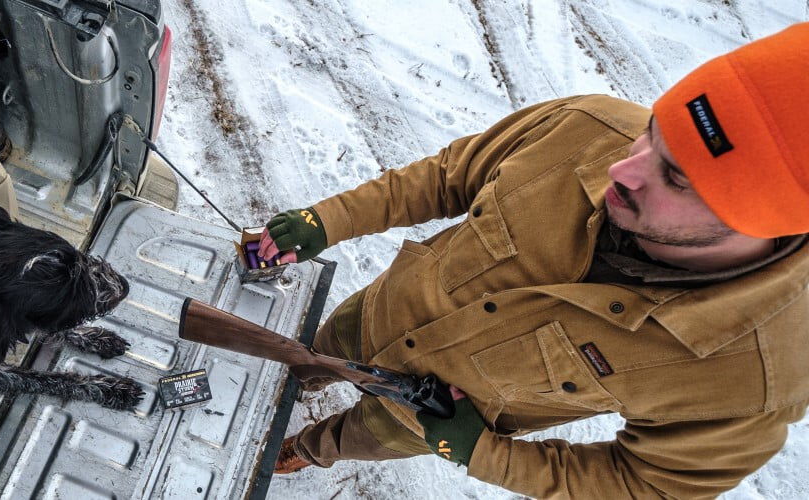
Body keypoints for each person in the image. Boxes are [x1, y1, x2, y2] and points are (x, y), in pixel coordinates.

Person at [259, 23, 809, 499]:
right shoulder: (589, 128)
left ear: (763, 222)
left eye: (678, 177)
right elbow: (448, 176)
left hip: (421, 422)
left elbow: (644, 483)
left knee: (353, 438)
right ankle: (304, 377)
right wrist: (331, 219)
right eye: (654, 132)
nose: (623, 168)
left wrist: (482, 453)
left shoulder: (753, 382)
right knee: (311, 355)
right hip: (372, 315)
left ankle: (311, 448)